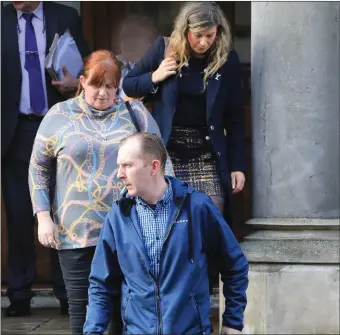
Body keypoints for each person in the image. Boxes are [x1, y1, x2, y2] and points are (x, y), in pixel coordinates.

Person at [28, 50, 173, 335]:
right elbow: (38, 169)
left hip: (130, 229)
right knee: (81, 313)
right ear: (82, 81)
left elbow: (161, 164)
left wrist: (164, 215)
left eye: (110, 86)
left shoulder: (135, 113)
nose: (103, 93)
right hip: (76, 231)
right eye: (96, 85)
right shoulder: (59, 115)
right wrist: (43, 217)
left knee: (127, 311)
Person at [84, 132, 249, 335]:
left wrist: (233, 321)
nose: (119, 174)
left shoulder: (197, 207)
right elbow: (101, 283)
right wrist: (93, 331)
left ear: (154, 167)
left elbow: (234, 264)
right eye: (119, 166)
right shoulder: (118, 216)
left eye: (127, 165)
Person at [1, 1, 90, 317]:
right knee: (19, 213)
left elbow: (87, 68)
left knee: (63, 210)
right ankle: (20, 293)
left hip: (58, 125)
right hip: (14, 131)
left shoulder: (66, 16)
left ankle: (68, 292)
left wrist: (74, 83)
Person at [123, 1, 246, 218]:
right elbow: (129, 84)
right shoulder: (164, 48)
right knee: (174, 218)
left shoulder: (227, 60)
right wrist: (154, 76)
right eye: (197, 35)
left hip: (206, 152)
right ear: (185, 29)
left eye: (210, 35)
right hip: (169, 151)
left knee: (211, 214)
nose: (204, 42)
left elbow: (234, 117)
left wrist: (237, 166)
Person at [113, 14, 157, 100]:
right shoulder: (112, 64)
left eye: (134, 36)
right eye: (124, 37)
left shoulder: (159, 68)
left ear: (150, 43)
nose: (128, 41)